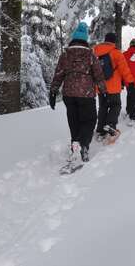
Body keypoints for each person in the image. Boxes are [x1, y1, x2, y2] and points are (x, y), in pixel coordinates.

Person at [49, 22, 107, 163]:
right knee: (90, 120)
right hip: (86, 94)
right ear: (85, 39)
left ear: (74, 38)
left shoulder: (66, 54)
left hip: (69, 94)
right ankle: (84, 145)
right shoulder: (90, 55)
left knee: (74, 121)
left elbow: (58, 74)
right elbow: (98, 75)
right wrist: (104, 92)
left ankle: (75, 143)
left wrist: (53, 92)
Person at [93, 32, 134, 142]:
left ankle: (101, 130)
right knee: (116, 105)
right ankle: (110, 126)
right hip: (113, 86)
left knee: (103, 107)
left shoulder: (96, 52)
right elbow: (124, 69)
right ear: (114, 41)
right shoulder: (116, 53)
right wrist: (130, 81)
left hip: (100, 87)